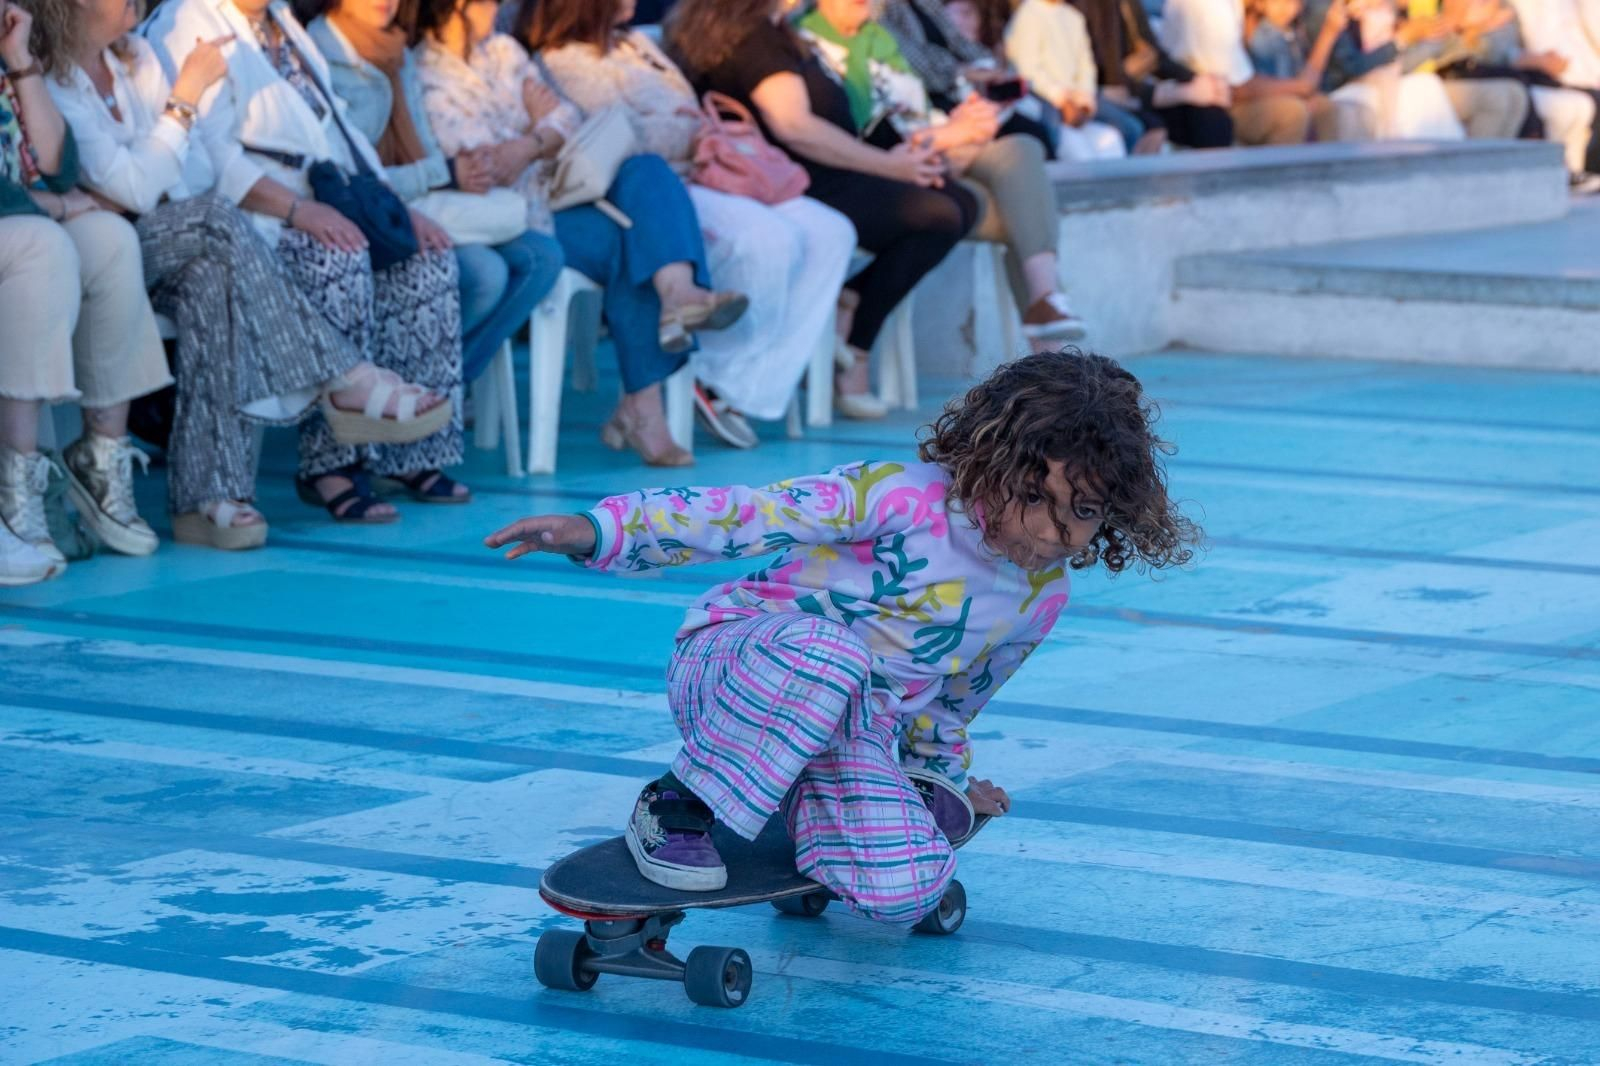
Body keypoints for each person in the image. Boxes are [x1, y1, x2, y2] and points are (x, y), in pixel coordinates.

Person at [483, 348, 1202, 921]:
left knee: (908, 889)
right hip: (737, 664)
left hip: (842, 727)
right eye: (1032, 497)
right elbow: (747, 515)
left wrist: (938, 782)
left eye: (1079, 511)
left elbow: (951, 702)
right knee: (833, 656)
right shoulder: (899, 496)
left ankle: (808, 803)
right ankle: (675, 805)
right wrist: (601, 529)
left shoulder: (1044, 596)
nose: (1051, 532)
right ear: (992, 462)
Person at [36, 0, 448, 549]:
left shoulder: (136, 58)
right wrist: (181, 107)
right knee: (213, 219)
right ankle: (342, 376)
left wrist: (155, 160)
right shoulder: (58, 82)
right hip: (111, 245)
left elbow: (189, 172)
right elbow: (134, 188)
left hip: (174, 232)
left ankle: (207, 500)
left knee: (212, 273)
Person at [146, 0, 470, 522]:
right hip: (253, 210)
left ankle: (411, 454)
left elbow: (340, 129)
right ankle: (331, 467)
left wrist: (398, 211)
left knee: (423, 262)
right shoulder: (189, 20)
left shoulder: (280, 20)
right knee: (335, 256)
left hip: (320, 190)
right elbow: (210, 155)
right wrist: (298, 210)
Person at [411, 0, 748, 465]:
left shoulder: (503, 51)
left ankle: (678, 296)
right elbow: (481, 162)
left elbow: (564, 121)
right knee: (637, 244)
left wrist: (529, 139)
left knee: (646, 176)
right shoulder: (426, 70)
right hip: (504, 217)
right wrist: (536, 133)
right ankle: (642, 405)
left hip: (548, 199)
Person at [527, 0, 857, 448]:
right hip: (645, 189)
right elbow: (617, 138)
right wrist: (684, 130)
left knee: (832, 232)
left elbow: (682, 110)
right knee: (766, 239)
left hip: (699, 171)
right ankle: (713, 376)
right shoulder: (562, 61)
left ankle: (747, 388)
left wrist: (680, 128)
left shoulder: (637, 43)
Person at [667, 0, 977, 419]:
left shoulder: (773, 30)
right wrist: (890, 165)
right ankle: (854, 341)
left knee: (961, 202)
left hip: (810, 170)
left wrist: (910, 153)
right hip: (797, 179)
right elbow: (794, 127)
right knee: (938, 214)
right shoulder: (755, 38)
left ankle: (848, 301)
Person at [301, 0, 566, 386]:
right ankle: (421, 389)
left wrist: (451, 172)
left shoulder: (398, 50)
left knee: (543, 255)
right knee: (484, 272)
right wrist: (448, 171)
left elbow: (429, 147)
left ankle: (440, 388)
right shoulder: (318, 54)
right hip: (362, 213)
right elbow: (347, 173)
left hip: (415, 200)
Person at [797, 0, 1090, 346]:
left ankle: (1047, 311)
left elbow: (930, 88)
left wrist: (953, 128)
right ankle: (1052, 358)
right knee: (1023, 210)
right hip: (894, 162)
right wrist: (947, 133)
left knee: (1023, 150)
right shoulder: (812, 41)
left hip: (932, 140)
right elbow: (877, 129)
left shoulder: (879, 33)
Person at [1, 0, 171, 575]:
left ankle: (100, 455)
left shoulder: (11, 45)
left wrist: (20, 61)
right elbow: (48, 194)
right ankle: (16, 478)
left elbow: (59, 166)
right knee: (42, 243)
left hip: (19, 219)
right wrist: (41, 203)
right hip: (18, 226)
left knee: (110, 238)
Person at [875, 0, 1064, 156]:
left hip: (965, 93)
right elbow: (918, 64)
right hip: (932, 102)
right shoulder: (882, 11)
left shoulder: (926, 4)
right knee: (1024, 140)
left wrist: (990, 67)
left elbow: (959, 42)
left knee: (1036, 134)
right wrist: (964, 71)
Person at [1072, 0, 1238, 147]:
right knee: (1151, 127)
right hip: (1109, 96)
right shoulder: (1089, 6)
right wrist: (1183, 93)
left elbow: (1155, 57)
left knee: (1213, 116)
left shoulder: (1127, 4)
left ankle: (1213, 182)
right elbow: (1113, 85)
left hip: (1137, 91)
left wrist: (1199, 81)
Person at [1004, 0, 1138, 156]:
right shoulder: (1028, 14)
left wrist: (1085, 99)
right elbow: (1027, 70)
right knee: (1051, 135)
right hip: (1043, 97)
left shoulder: (1074, 17)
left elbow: (1086, 66)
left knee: (1131, 128)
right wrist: (1061, 98)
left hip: (1078, 97)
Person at [1244, 0, 1376, 139]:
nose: (1286, 9)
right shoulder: (1266, 36)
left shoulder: (1293, 31)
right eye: (1278, 3)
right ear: (1261, 4)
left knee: (1325, 106)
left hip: (1298, 92)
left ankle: (1326, 158)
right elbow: (1279, 80)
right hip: (1278, 97)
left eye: (1292, 3)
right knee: (1297, 111)